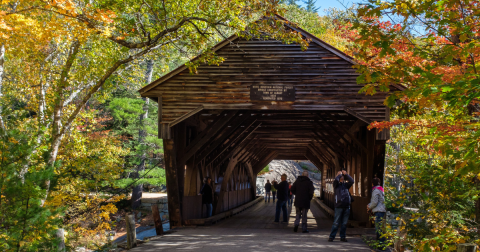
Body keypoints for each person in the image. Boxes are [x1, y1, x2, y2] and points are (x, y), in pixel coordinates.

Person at [328, 170, 354, 242]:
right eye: (340, 176)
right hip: (339, 205)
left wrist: (346, 175)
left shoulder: (346, 185)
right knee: (336, 222)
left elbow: (352, 181)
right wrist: (339, 175)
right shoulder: (336, 185)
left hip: (346, 205)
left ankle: (343, 237)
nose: (341, 176)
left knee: (344, 223)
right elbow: (336, 180)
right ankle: (331, 236)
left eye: (342, 175)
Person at [367, 178, 386, 248]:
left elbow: (374, 202)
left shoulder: (375, 190)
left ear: (372, 184)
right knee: (379, 227)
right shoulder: (381, 189)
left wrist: (369, 207)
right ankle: (379, 244)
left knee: (378, 228)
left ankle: (382, 244)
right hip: (382, 210)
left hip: (378, 210)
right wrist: (370, 205)